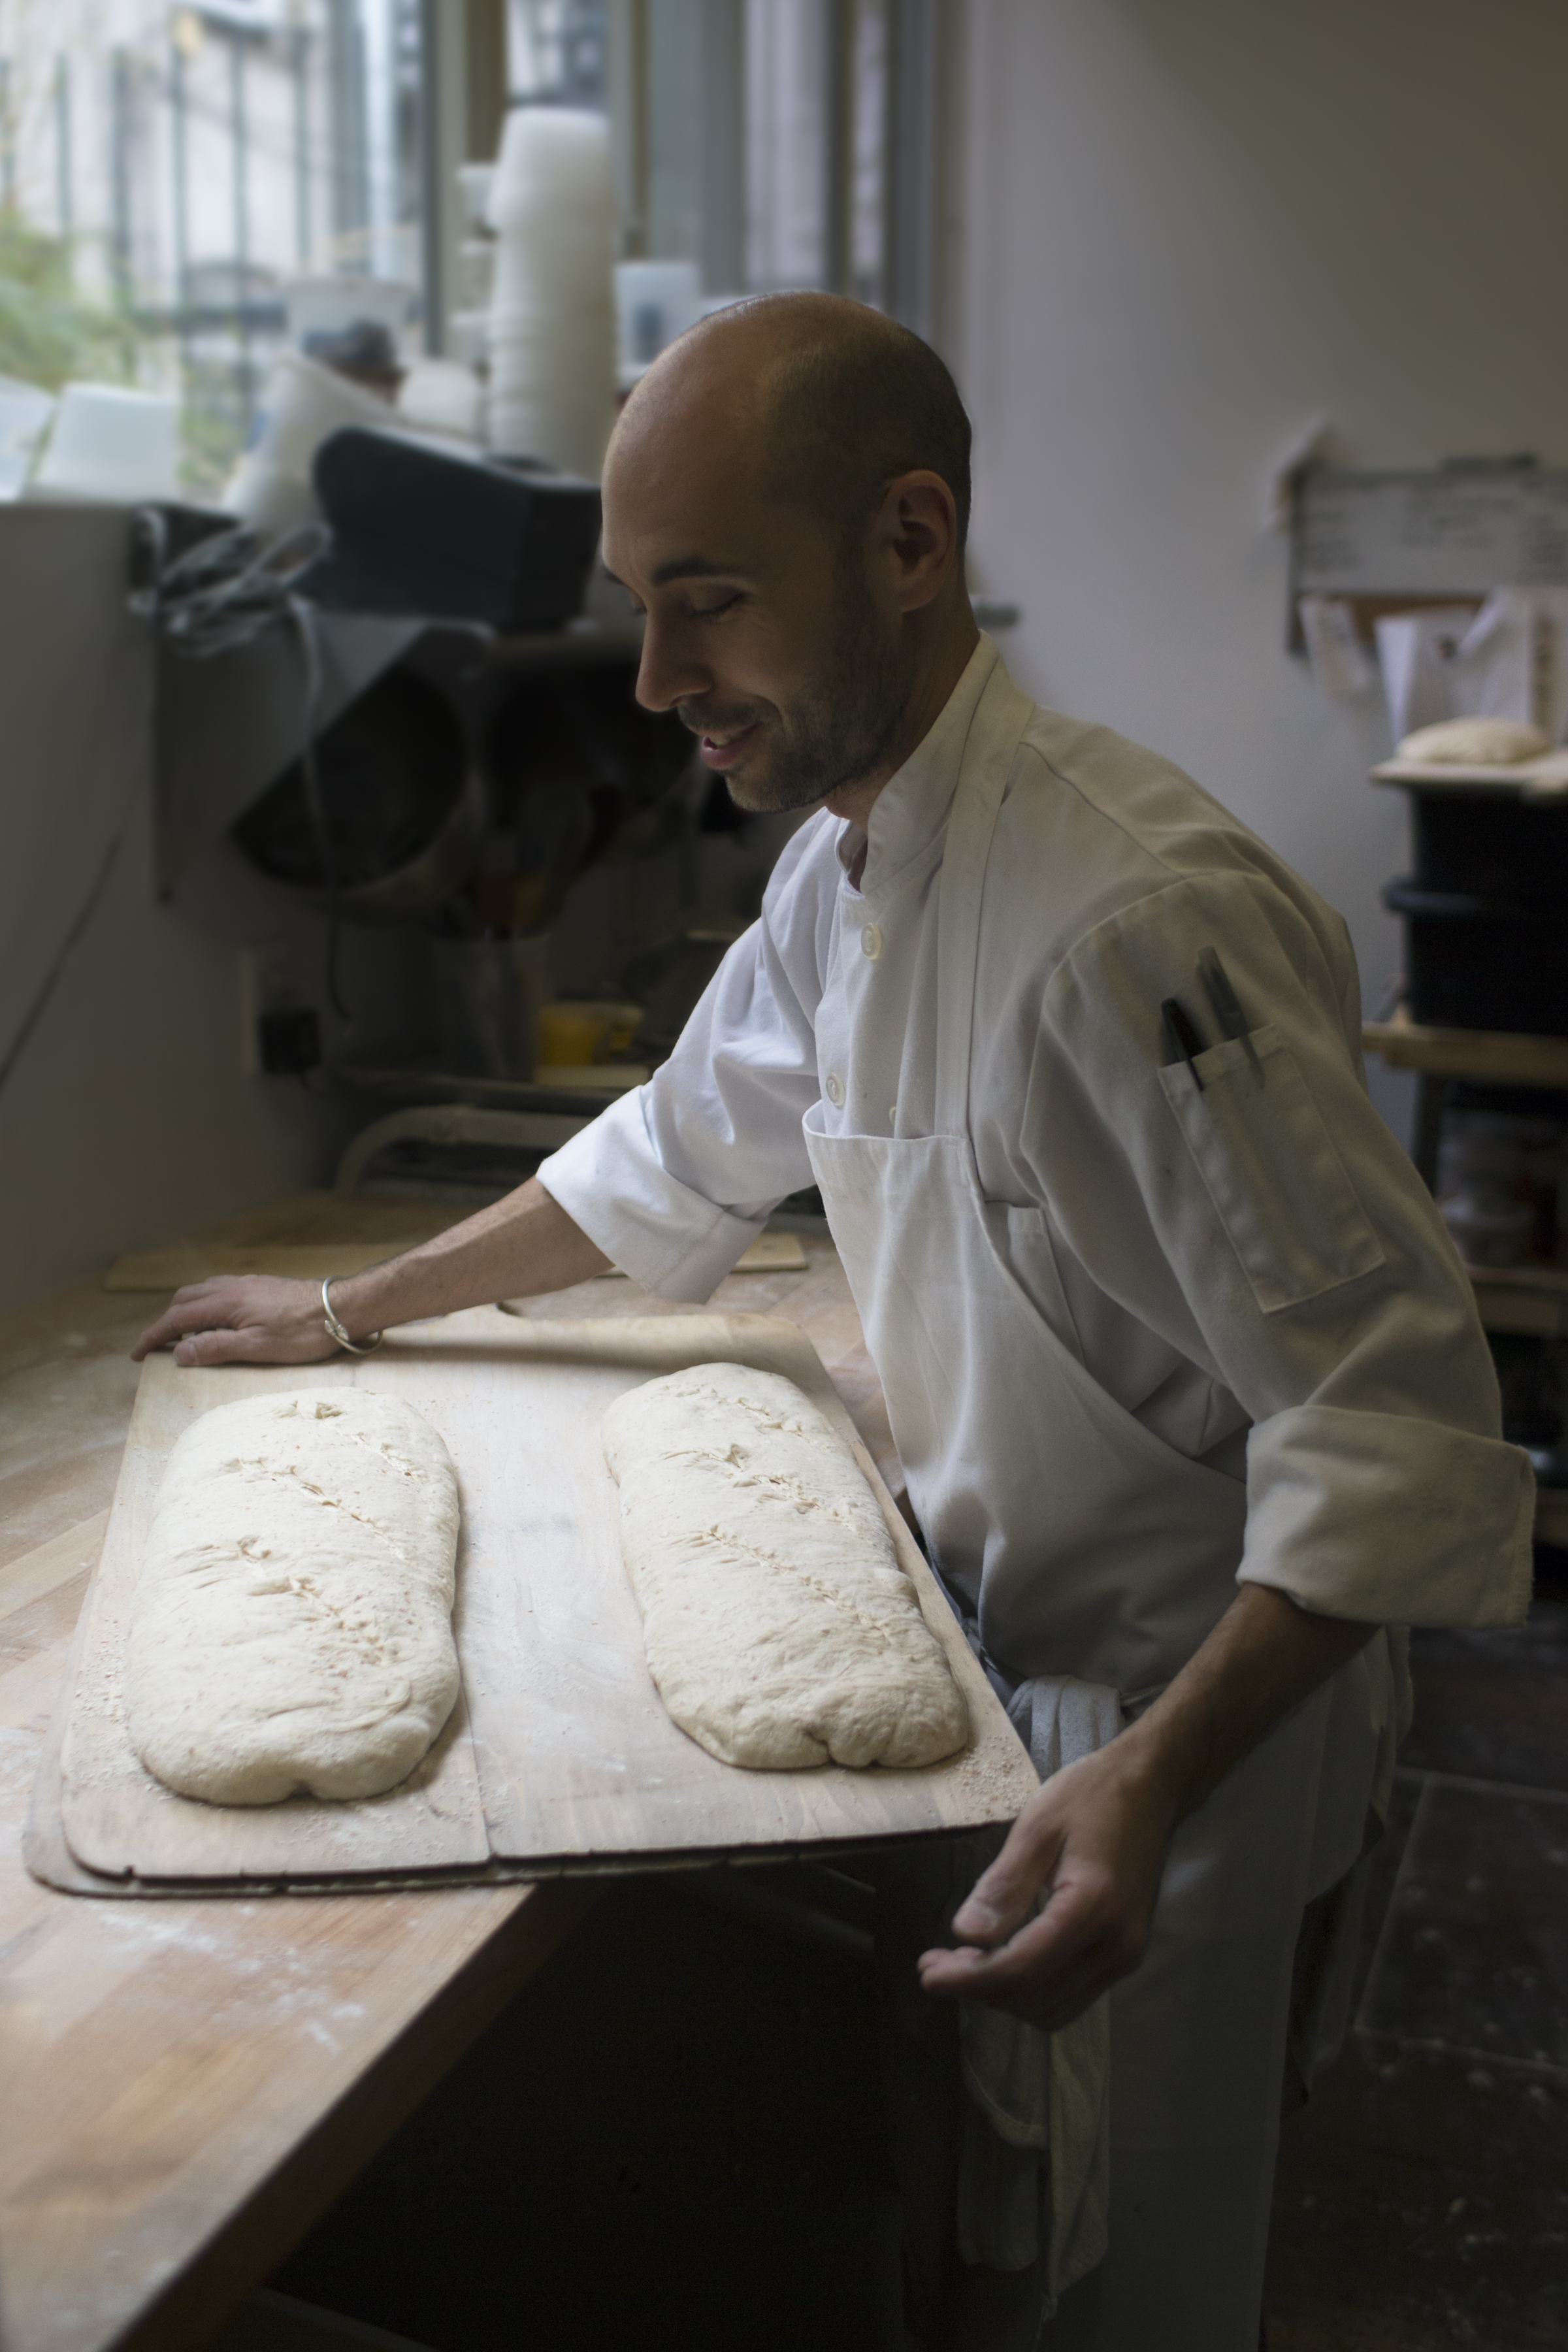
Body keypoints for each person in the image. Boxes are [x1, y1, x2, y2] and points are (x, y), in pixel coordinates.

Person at [133, 295, 1531, 2348]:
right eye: (638, 602)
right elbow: (675, 1150)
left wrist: (1150, 1781)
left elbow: (1394, 1423)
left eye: (710, 600)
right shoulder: (844, 872)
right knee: (983, 2243)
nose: (655, 678)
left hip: (1184, 1722)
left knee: (1131, 2279)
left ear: (909, 540)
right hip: (997, 1670)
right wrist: (352, 1309)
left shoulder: (1138, 927)